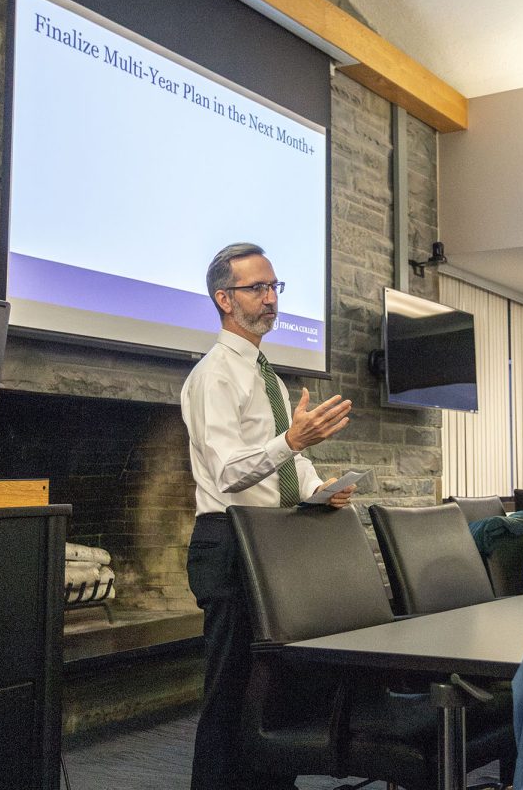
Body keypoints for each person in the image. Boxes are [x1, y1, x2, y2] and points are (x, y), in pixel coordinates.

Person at [181, 242, 357, 790]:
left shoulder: (269, 377)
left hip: (273, 543)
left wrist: (319, 487)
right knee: (230, 693)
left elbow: (290, 461)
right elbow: (231, 472)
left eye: (274, 287)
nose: (270, 298)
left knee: (271, 693)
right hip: (231, 543)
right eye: (257, 288)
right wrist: (290, 441)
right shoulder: (215, 376)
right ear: (224, 299)